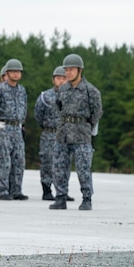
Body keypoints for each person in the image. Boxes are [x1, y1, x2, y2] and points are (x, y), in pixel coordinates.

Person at [48, 53, 102, 211]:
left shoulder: (90, 91)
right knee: (59, 167)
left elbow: (97, 112)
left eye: (71, 70)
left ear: (80, 70)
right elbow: (58, 107)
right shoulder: (62, 89)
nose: (68, 73)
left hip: (81, 134)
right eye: (66, 70)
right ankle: (60, 197)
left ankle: (86, 198)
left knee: (83, 168)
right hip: (63, 134)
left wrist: (85, 125)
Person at [0, 59, 28, 200]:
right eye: (12, 71)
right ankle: (2, 190)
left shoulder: (21, 90)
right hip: (2, 128)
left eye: (18, 71)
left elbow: (24, 108)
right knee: (3, 160)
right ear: (6, 74)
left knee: (19, 160)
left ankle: (16, 190)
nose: (15, 74)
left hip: (16, 128)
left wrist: (21, 123)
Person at [34, 66, 70, 201]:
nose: (61, 81)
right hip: (49, 134)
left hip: (65, 134)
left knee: (65, 163)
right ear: (53, 80)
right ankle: (47, 190)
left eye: (64, 79)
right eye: (58, 78)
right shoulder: (45, 96)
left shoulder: (72, 96)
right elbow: (38, 114)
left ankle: (63, 191)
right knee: (47, 162)